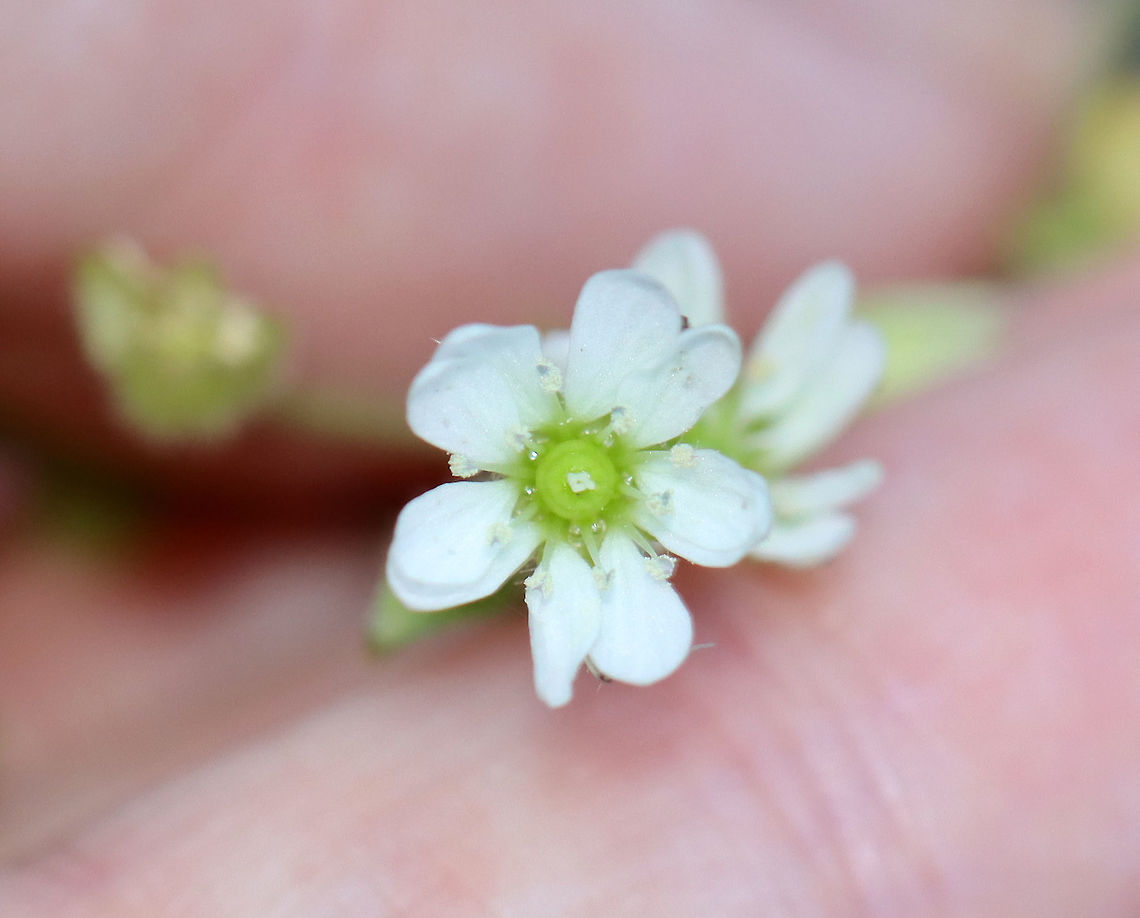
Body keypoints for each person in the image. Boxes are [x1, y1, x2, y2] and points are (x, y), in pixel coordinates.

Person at [1, 1, 1138, 913]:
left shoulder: (652, 441)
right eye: (568, 466)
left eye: (586, 471)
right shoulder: (507, 404)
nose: (577, 481)